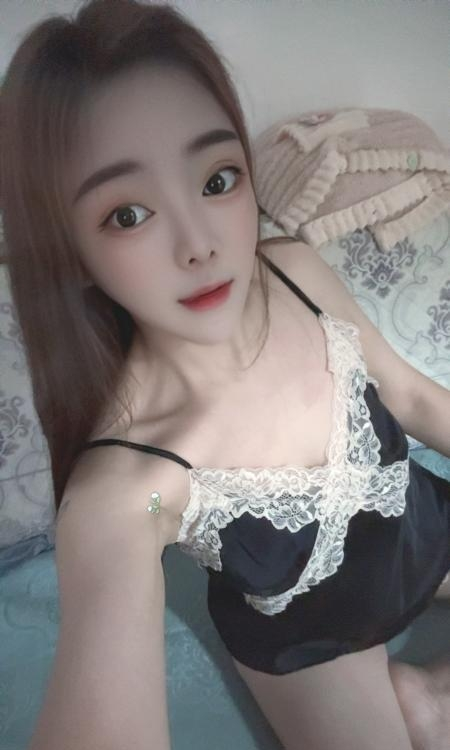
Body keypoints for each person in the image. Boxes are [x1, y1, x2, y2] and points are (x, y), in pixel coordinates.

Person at [1, 1, 448, 749]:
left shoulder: (296, 273)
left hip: (423, 533)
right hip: (315, 640)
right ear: (70, 249)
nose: (200, 245)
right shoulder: (130, 487)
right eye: (128, 214)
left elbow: (409, 396)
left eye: (217, 179)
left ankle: (431, 698)